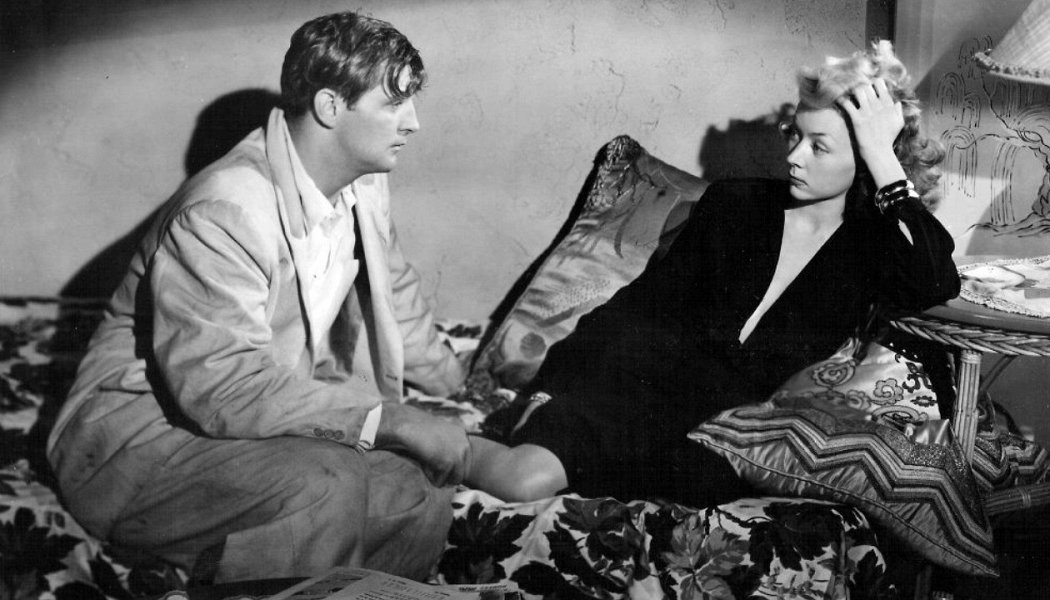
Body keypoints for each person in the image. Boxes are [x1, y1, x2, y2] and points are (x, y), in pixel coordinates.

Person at [47, 12, 471, 583]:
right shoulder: (224, 210)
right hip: (135, 446)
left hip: (241, 420)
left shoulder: (365, 181)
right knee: (327, 484)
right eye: (394, 103)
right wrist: (388, 419)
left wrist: (455, 383)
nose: (413, 122)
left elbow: (391, 289)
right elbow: (221, 386)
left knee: (418, 491)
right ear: (330, 107)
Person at [466, 41, 961, 505]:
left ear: (867, 156)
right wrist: (555, 386)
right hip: (638, 386)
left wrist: (882, 155)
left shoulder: (874, 244)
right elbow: (641, 308)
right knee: (523, 481)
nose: (793, 157)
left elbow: (935, 281)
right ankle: (426, 437)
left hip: (716, 434)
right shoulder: (736, 202)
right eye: (794, 135)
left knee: (685, 484)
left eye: (819, 146)